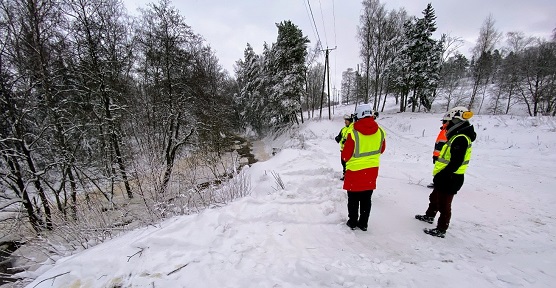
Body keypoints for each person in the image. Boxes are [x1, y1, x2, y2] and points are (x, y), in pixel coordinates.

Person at [415, 106, 477, 238]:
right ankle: (429, 216)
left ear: (455, 121)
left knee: (444, 204)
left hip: (451, 177)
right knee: (434, 198)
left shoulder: (460, 138)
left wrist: (444, 174)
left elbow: (457, 161)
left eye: (447, 121)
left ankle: (441, 228)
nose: (445, 125)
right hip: (445, 175)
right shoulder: (457, 136)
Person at [342, 104, 385, 231]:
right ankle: (364, 223)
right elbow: (381, 149)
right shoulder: (380, 131)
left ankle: (353, 222)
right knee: (367, 198)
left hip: (354, 172)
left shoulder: (353, 132)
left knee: (353, 199)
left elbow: (345, 156)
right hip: (371, 171)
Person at [427, 120, 448, 188]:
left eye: (444, 121)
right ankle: (440, 183)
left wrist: (436, 155)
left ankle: (439, 184)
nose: (442, 123)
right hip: (443, 154)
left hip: (443, 155)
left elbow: (440, 145)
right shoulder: (445, 130)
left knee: (439, 169)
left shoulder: (446, 131)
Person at [335, 114, 354, 180]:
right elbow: (340, 136)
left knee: (348, 164)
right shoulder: (343, 129)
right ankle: (345, 175)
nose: (345, 122)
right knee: (343, 163)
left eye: (347, 120)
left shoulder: (353, 129)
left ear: (350, 121)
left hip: (350, 150)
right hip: (343, 150)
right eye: (345, 120)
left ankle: (349, 176)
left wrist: (347, 141)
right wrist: (338, 138)